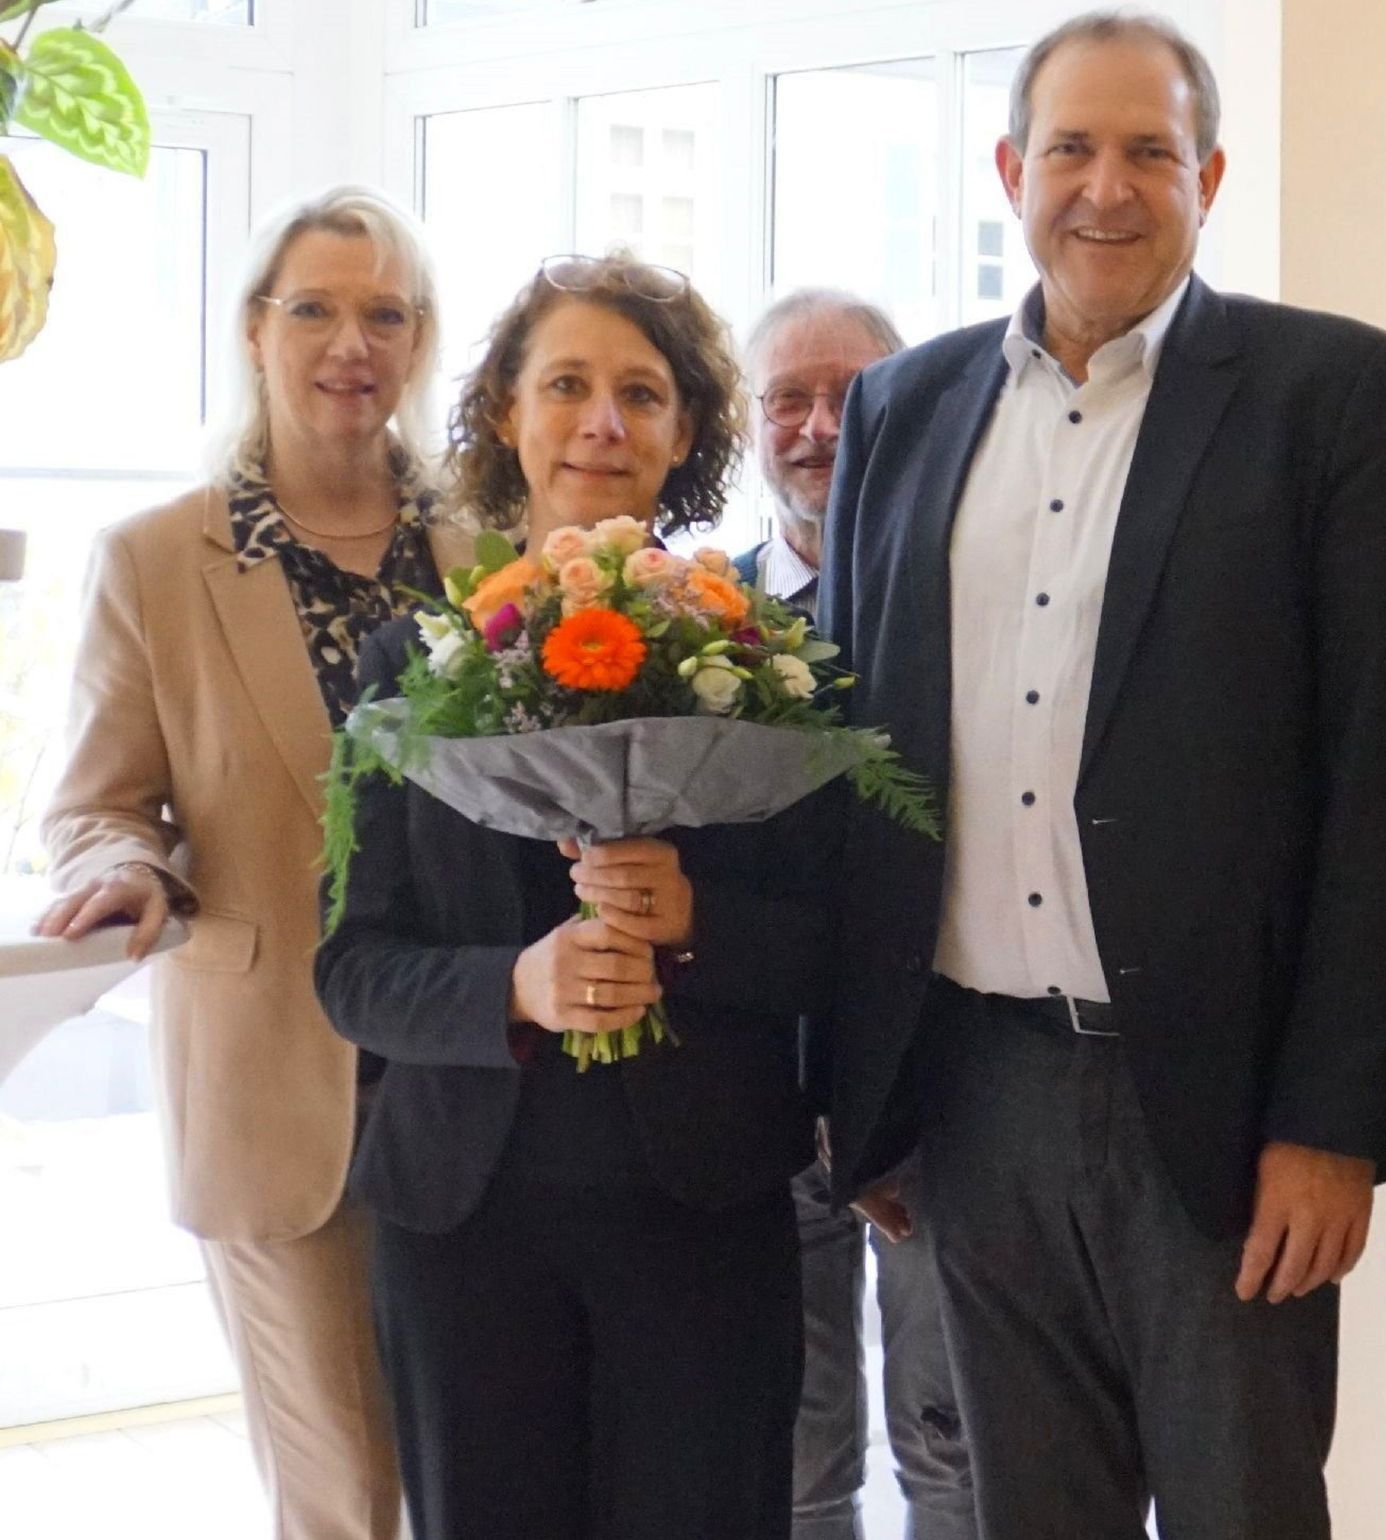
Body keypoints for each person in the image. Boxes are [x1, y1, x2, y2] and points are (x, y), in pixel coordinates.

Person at [815, 12, 1386, 1537]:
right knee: (1028, 1515)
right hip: (975, 1093)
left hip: (1232, 1108)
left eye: (1147, 152)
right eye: (1070, 147)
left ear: (1210, 175)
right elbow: (850, 776)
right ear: (1009, 169)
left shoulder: (1338, 398)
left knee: (1245, 1509)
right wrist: (866, 1094)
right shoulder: (900, 414)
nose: (1104, 188)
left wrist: (1333, 1117)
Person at [314, 253, 834, 1540]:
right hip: (463, 1221)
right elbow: (354, 966)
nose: (603, 422)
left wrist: (698, 923)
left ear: (689, 430)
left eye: (644, 394)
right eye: (567, 385)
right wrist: (514, 983)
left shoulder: (764, 662)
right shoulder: (407, 663)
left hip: (703, 1214)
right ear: (505, 411)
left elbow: (840, 949)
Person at [34, 185, 454, 1540]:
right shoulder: (156, 559)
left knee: (470, 1472)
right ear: (254, 333)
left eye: (384, 312)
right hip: (279, 1086)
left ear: (418, 341)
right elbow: (100, 803)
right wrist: (126, 871)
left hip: (471, 1082)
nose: (351, 342)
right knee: (353, 1496)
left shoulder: (482, 551)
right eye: (315, 308)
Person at [736, 288, 977, 1540]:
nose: (821, 426)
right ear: (748, 420)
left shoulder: (972, 611)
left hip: (940, 1104)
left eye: (852, 396)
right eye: (789, 398)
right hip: (755, 1111)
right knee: (790, 1448)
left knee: (955, 1444)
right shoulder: (685, 624)